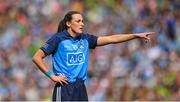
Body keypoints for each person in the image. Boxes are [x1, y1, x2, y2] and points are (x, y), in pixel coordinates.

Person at [32, 11, 154, 101]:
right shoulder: (58, 39)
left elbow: (111, 39)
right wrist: (52, 76)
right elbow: (36, 57)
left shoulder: (85, 39)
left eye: (83, 21)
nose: (82, 24)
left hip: (80, 87)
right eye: (78, 21)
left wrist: (135, 35)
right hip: (65, 88)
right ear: (68, 23)